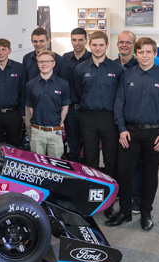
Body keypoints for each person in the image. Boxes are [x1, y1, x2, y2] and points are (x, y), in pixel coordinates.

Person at [108, 37, 159, 231]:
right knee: (123, 172)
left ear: (155, 53)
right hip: (129, 132)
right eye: (141, 52)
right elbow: (119, 104)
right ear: (135, 54)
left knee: (150, 173)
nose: (145, 55)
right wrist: (121, 129)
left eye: (149, 52)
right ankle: (124, 211)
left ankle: (146, 212)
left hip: (155, 134)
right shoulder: (127, 75)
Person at [72, 31, 123, 183]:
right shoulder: (80, 69)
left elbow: (121, 97)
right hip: (87, 118)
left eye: (101, 45)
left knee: (110, 158)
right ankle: (91, 191)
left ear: (107, 45)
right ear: (89, 45)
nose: (98, 48)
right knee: (89, 157)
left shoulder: (118, 69)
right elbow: (77, 93)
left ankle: (110, 193)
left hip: (109, 118)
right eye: (94, 45)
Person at [109, 29, 141, 218]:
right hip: (115, 121)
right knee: (116, 161)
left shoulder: (139, 66)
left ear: (134, 46)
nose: (124, 45)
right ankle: (119, 193)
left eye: (128, 42)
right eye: (121, 42)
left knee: (136, 164)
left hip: (133, 122)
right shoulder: (111, 65)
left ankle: (136, 197)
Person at [22, 28, 69, 146]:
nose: (38, 44)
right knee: (34, 138)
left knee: (53, 142)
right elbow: (24, 83)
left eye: (41, 41)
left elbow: (63, 83)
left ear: (48, 40)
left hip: (53, 104)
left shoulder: (58, 59)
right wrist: (23, 110)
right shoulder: (27, 58)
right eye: (35, 41)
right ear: (32, 41)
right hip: (32, 103)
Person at [25, 50, 70, 158]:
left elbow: (65, 106)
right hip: (37, 132)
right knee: (37, 165)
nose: (44, 64)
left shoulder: (63, 84)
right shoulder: (30, 85)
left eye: (47, 61)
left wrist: (60, 122)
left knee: (55, 165)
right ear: (38, 64)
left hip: (55, 132)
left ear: (53, 63)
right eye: (41, 61)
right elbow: (30, 107)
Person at [0, 38, 26, 146]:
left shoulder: (19, 68)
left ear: (9, 50)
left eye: (3, 49)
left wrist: (22, 114)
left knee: (13, 146)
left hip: (14, 114)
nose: (0, 53)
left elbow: (23, 92)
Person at [63, 27, 92, 163]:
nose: (77, 43)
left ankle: (89, 176)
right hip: (71, 109)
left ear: (86, 40)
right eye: (74, 40)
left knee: (89, 146)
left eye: (80, 40)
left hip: (88, 110)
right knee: (73, 147)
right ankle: (75, 177)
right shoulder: (65, 58)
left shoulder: (93, 58)